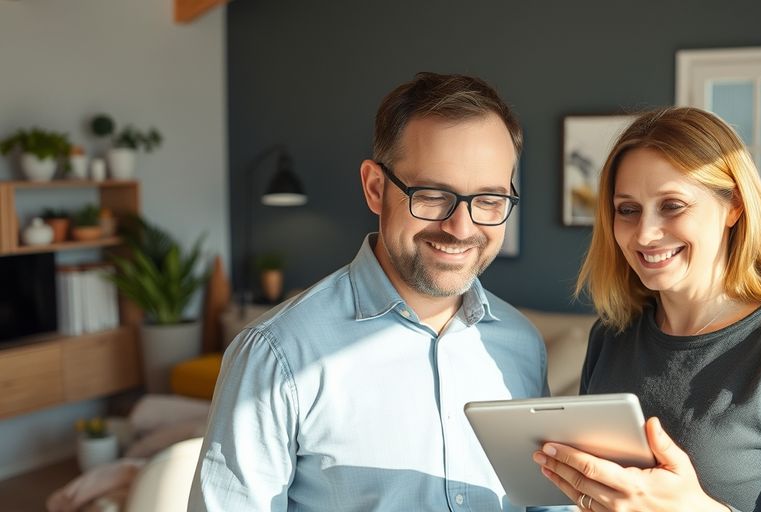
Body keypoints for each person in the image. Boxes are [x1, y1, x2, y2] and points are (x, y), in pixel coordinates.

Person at [190, 72, 556, 511]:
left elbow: (543, 501)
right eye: (433, 195)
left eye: (490, 200)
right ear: (375, 188)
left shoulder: (521, 342)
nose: (461, 228)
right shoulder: (276, 353)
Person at [532, 107, 761, 511]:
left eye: (673, 205)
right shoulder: (611, 335)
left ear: (733, 205)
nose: (644, 234)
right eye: (627, 209)